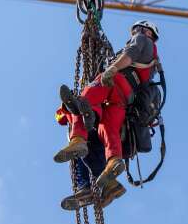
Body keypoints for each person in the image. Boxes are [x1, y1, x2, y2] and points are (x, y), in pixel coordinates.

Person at [53, 20, 160, 192]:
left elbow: (130, 54)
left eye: (138, 30)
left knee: (86, 97)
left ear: (148, 33)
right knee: (107, 128)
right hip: (124, 99)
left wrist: (112, 68)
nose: (135, 34)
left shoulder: (142, 40)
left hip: (117, 81)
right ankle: (113, 162)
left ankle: (79, 137)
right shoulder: (152, 64)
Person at [55, 105, 125, 210]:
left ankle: (91, 187)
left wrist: (65, 107)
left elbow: (61, 119)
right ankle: (110, 186)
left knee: (80, 150)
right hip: (108, 134)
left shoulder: (95, 97)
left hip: (102, 131)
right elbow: (61, 119)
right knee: (81, 151)